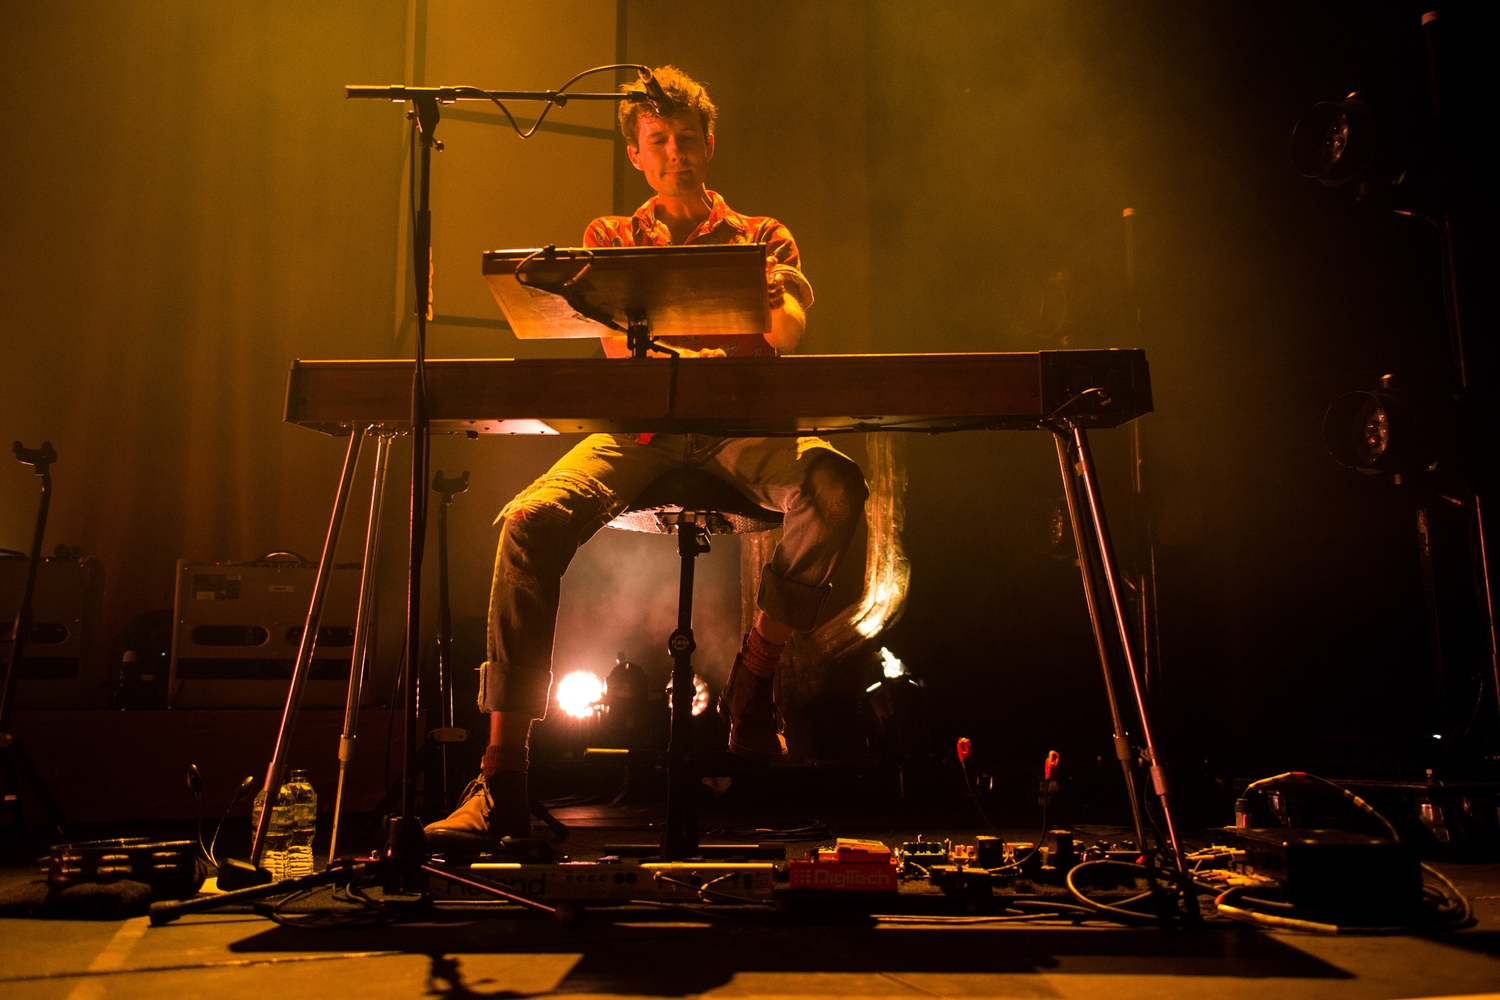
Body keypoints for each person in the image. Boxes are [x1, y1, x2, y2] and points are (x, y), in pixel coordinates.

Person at [425, 66, 868, 851]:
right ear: (637, 154)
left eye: (687, 138)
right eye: (658, 141)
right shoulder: (611, 237)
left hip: (742, 429)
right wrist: (724, 330)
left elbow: (785, 334)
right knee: (527, 522)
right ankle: (503, 776)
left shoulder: (765, 235)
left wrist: (678, 331)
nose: (676, 153)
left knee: (836, 487)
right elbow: (623, 359)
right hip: (637, 431)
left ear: (710, 142)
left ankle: (755, 677)